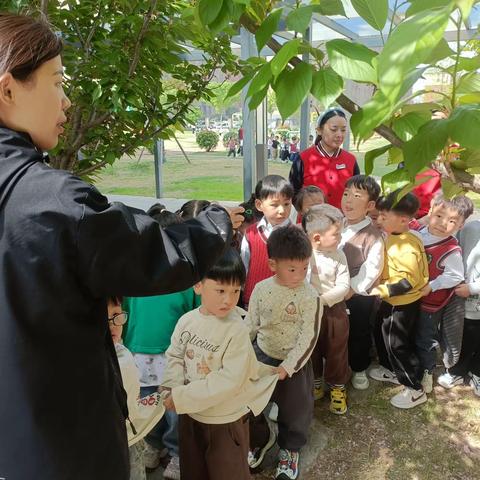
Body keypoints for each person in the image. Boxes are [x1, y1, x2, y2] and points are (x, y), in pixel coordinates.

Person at [0, 14, 233, 480]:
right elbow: (162, 255)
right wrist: (218, 221)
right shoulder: (56, 203)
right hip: (62, 448)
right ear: (8, 89)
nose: (66, 102)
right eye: (57, 81)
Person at [160, 249, 278, 480]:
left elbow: (228, 380)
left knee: (227, 473)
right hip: (191, 417)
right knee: (194, 471)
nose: (229, 299)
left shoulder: (237, 330)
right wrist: (171, 387)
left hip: (224, 421)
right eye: (220, 290)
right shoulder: (187, 321)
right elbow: (174, 355)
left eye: (235, 291)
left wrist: (182, 397)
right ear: (198, 285)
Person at [122, 207, 198, 479]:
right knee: (145, 403)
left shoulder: (186, 280)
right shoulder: (134, 278)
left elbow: (196, 315)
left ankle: (176, 452)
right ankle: (153, 445)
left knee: (174, 407)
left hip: (174, 356)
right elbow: (122, 313)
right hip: (138, 355)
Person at [247, 226, 322, 480]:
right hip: (263, 355)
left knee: (295, 410)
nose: (300, 275)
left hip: (295, 365)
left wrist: (288, 367)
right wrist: (241, 351)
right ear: (272, 264)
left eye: (305, 268)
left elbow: (308, 337)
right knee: (252, 403)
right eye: (292, 269)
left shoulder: (310, 296)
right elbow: (251, 325)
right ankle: (260, 438)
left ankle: (290, 450)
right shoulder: (260, 289)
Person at [369, 191, 429, 409]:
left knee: (397, 345)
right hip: (393, 302)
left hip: (400, 304)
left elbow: (408, 281)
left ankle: (414, 388)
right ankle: (390, 369)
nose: (379, 219)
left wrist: (380, 290)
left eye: (384, 216)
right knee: (382, 333)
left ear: (403, 220)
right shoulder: (399, 235)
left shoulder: (405, 246)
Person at [415, 195, 474, 393]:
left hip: (431, 302)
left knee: (426, 337)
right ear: (430, 211)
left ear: (461, 224)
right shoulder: (417, 232)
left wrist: (432, 285)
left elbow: (455, 276)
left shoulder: (451, 249)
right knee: (412, 332)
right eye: (439, 216)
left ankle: (426, 371)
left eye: (451, 221)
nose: (443, 224)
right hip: (411, 297)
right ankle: (414, 364)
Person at [108, 297, 165, 480]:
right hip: (107, 443)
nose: (113, 324)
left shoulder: (122, 351)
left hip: (131, 438)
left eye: (117, 315)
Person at [303, 205, 350, 414]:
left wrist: (322, 300)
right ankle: (315, 381)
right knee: (312, 349)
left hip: (334, 311)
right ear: (317, 237)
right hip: (308, 312)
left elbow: (343, 286)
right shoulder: (304, 255)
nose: (340, 238)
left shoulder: (339, 255)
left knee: (336, 349)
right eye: (336, 234)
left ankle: (337, 386)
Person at [339, 175, 384, 390]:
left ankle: (358, 367)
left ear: (370, 205)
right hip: (333, 291)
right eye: (346, 194)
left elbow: (371, 269)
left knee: (358, 332)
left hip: (358, 296)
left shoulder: (373, 236)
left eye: (357, 196)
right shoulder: (337, 225)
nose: (348, 200)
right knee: (335, 330)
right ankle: (335, 365)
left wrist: (352, 288)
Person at [438, 220, 480, 396]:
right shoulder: (472, 228)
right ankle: (456, 371)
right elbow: (454, 251)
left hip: (473, 294)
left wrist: (472, 288)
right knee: (462, 337)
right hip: (463, 301)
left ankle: (477, 372)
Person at [289, 109, 360, 209]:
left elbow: (357, 192)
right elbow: (293, 192)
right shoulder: (303, 158)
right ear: (319, 130)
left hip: (342, 222)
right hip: (310, 221)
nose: (339, 134)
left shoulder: (351, 160)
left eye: (343, 130)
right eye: (333, 129)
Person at [240, 175, 293, 307]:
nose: (282, 210)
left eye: (286, 204)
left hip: (285, 302)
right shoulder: (251, 233)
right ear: (259, 205)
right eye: (274, 205)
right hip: (253, 300)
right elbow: (243, 265)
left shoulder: (296, 235)